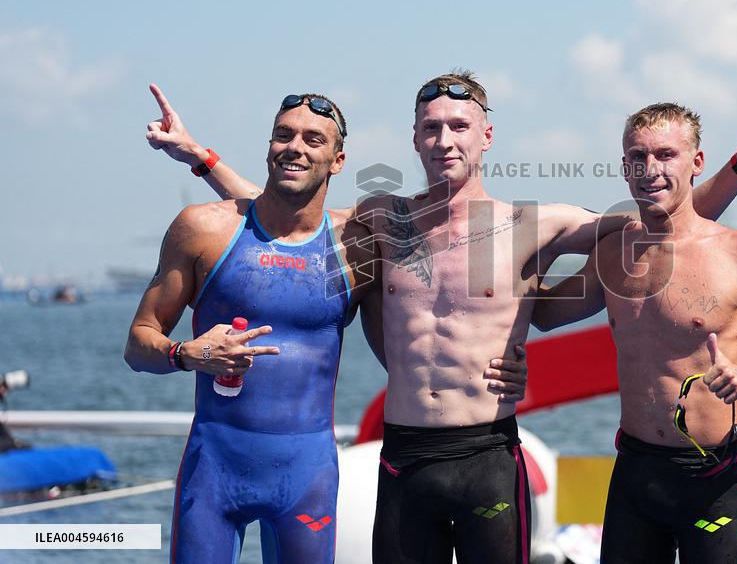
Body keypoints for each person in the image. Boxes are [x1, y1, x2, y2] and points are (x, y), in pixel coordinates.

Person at [148, 71, 737, 563]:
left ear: (486, 136)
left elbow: (670, 219)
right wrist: (200, 159)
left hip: (487, 453)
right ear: (415, 139)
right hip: (404, 457)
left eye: (459, 126)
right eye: (432, 127)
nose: (444, 139)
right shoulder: (383, 220)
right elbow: (278, 215)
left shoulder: (532, 224)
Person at [126, 89, 525, 563]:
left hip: (306, 477)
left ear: (337, 161)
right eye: (283, 135)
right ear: (268, 146)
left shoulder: (357, 246)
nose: (295, 147)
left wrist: (499, 366)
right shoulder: (201, 230)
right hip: (213, 472)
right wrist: (186, 353)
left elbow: (438, 312)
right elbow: (138, 343)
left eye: (313, 139)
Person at [531, 98, 737, 563]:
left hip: (713, 479)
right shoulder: (614, 255)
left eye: (665, 155)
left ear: (697, 162)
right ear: (624, 168)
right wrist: (530, 238)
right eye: (637, 157)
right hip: (636, 475)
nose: (650, 169)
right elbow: (542, 312)